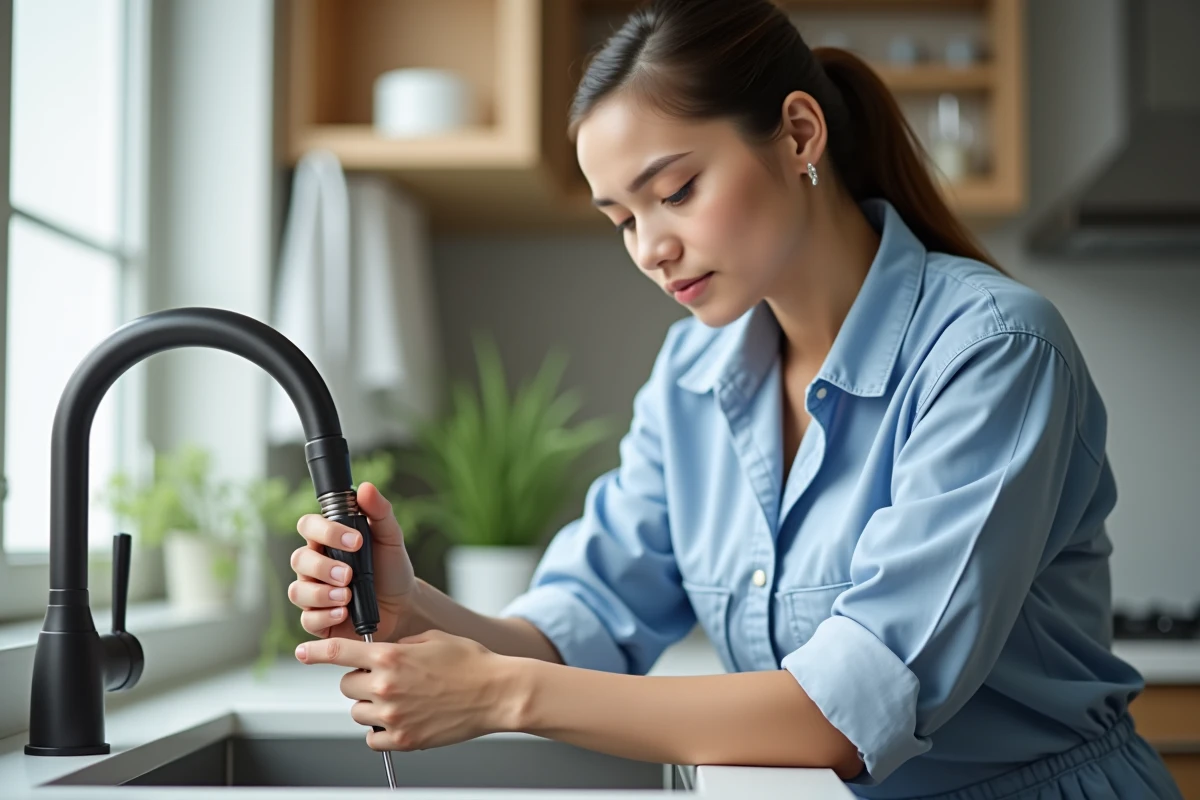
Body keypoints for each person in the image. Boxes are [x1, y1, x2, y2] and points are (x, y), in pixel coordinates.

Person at [285, 0, 1183, 797]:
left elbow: (846, 711)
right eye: (623, 220)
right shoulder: (693, 375)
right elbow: (587, 623)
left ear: (799, 135)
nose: (650, 248)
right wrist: (416, 605)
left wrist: (501, 695)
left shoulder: (991, 351)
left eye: (675, 191)